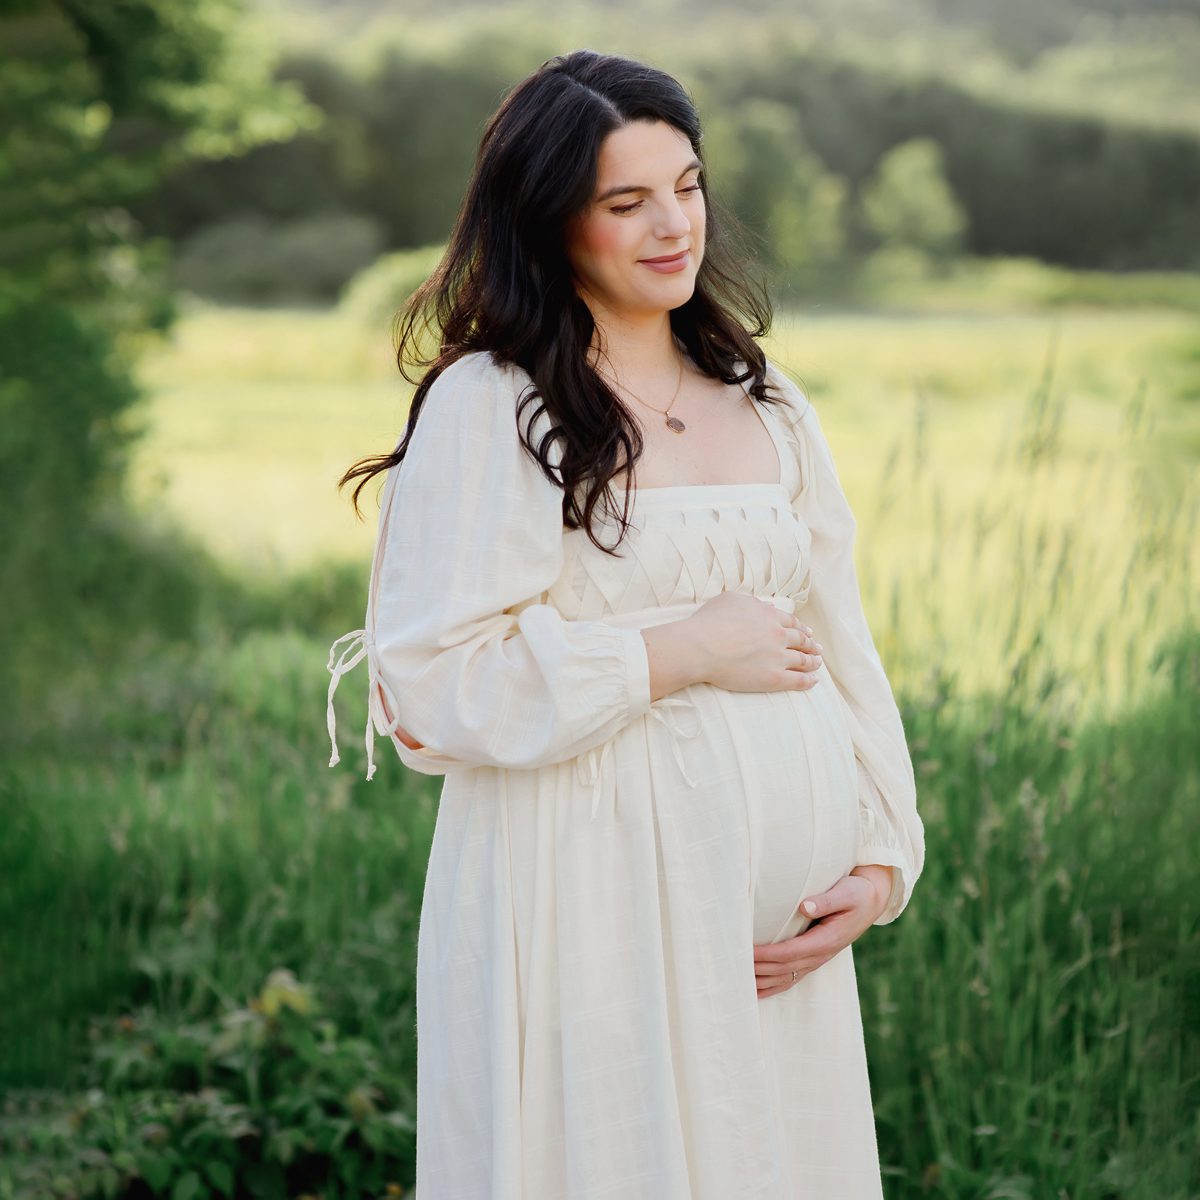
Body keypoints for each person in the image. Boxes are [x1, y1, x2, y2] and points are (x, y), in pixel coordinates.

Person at [325, 48, 924, 1199]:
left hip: (775, 964)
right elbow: (433, 685)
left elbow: (846, 650)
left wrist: (884, 855)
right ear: (551, 222)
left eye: (688, 186)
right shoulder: (493, 406)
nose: (673, 227)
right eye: (626, 202)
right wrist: (678, 651)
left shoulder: (769, 402)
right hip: (584, 912)